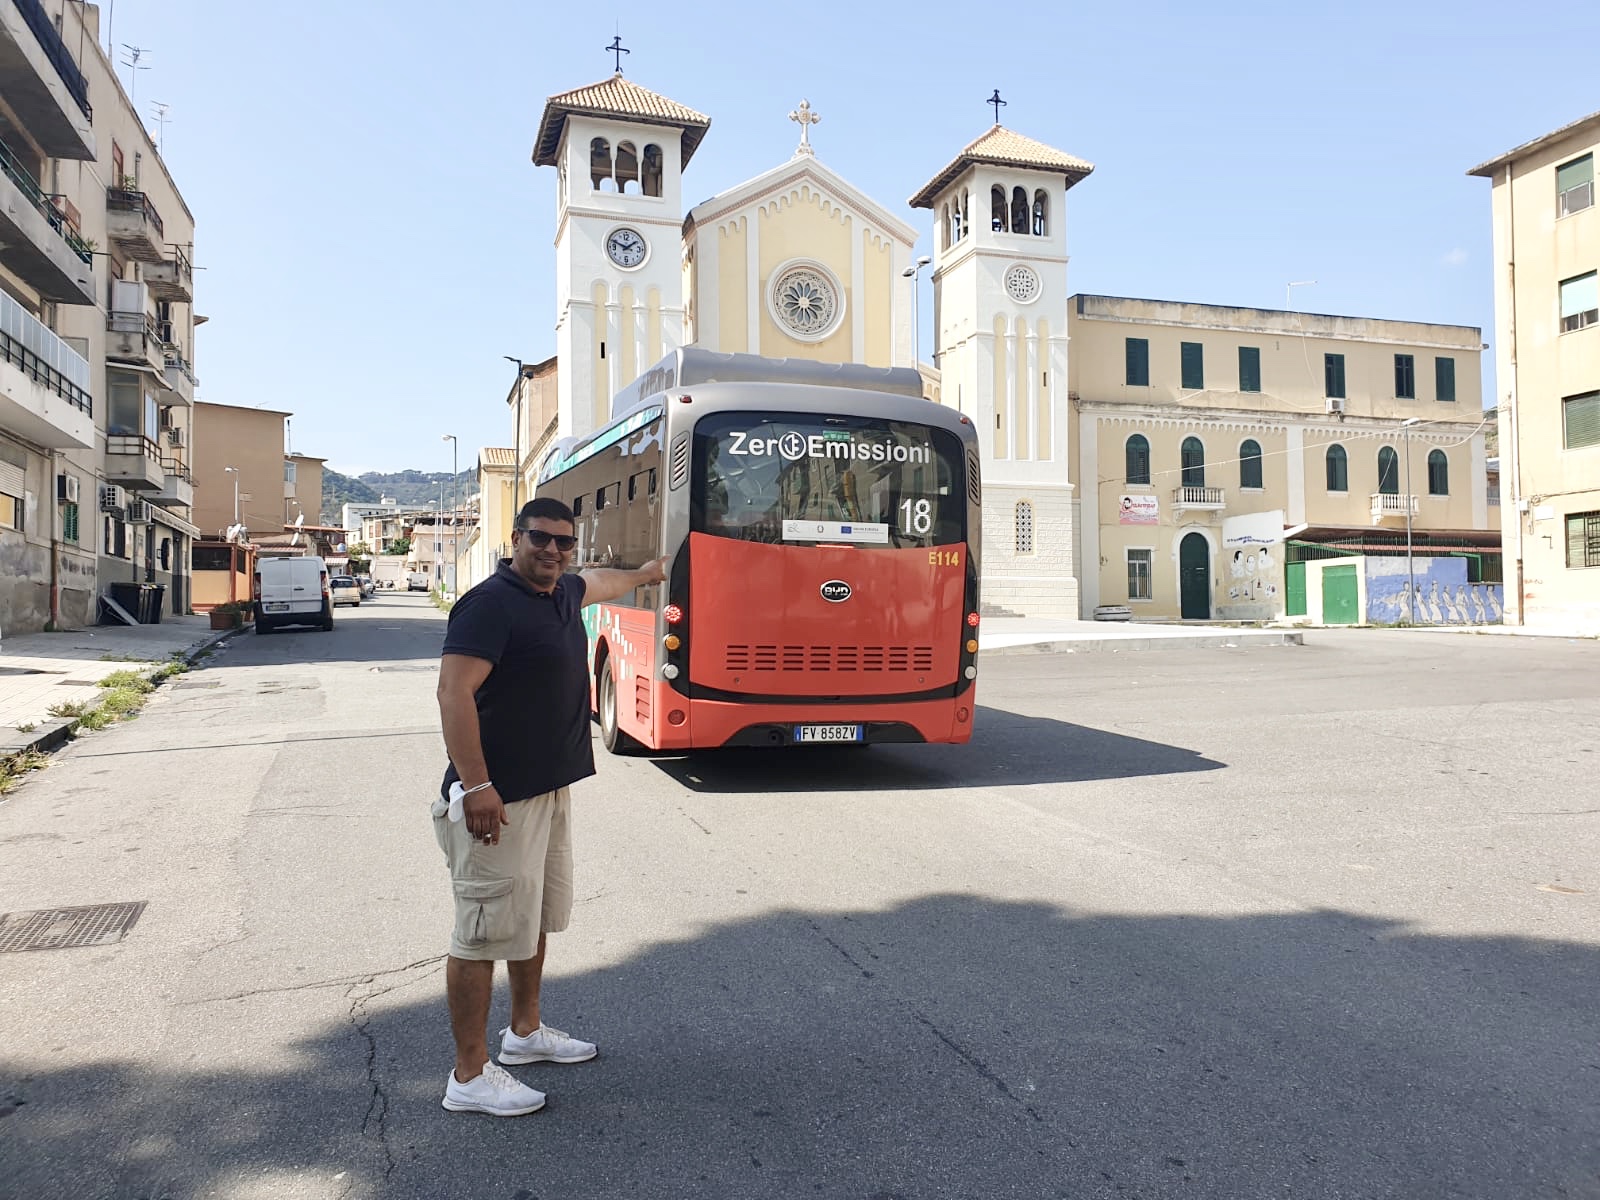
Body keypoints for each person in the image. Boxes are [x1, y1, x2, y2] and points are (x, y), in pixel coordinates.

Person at [434, 496, 667, 1117]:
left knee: (529, 918)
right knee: (481, 934)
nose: (553, 551)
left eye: (564, 542)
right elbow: (453, 693)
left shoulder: (562, 592)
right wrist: (479, 786)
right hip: (497, 800)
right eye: (541, 539)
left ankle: (526, 1034)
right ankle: (469, 1075)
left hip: (545, 790)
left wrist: (646, 575)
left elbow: (601, 582)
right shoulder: (489, 605)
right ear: (516, 538)